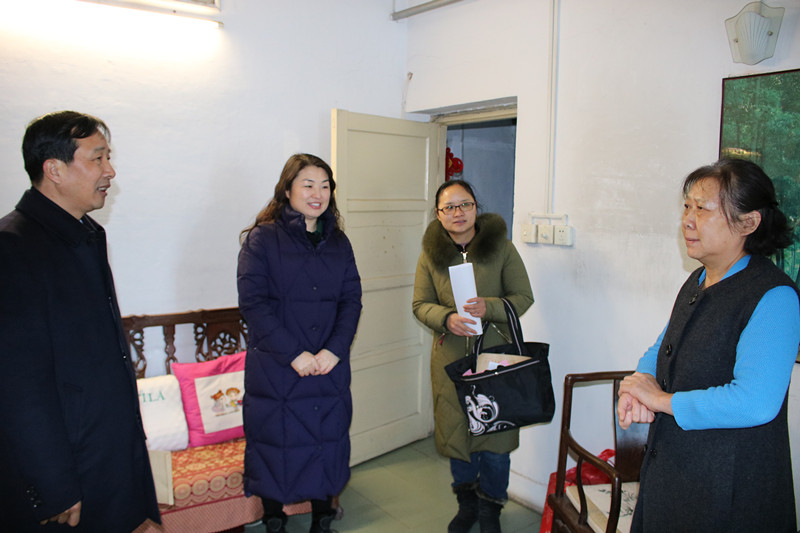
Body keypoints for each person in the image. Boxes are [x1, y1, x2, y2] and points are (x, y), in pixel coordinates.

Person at [617, 158, 799, 533]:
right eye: (687, 207)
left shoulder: (774, 297)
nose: (687, 220)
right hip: (675, 473)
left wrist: (661, 401)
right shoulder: (699, 279)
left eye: (702, 209)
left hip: (731, 489)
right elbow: (665, 345)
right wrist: (638, 383)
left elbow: (755, 401)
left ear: (748, 222)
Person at [0, 111, 160, 531]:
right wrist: (52, 484)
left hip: (109, 453)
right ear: (54, 169)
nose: (110, 171)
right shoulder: (12, 247)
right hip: (68, 473)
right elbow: (18, 384)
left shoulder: (85, 234)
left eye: (109, 157)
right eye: (97, 158)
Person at [237, 153, 362, 533]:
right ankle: (274, 519)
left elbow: (351, 301)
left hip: (327, 366)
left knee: (326, 442)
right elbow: (253, 304)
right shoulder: (262, 239)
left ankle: (322, 518)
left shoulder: (338, 242)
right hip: (278, 369)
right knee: (276, 446)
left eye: (325, 186)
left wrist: (334, 350)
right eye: (308, 185)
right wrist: (294, 354)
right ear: (287, 189)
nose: (317, 194)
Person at [412, 180, 533, 533]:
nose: (458, 213)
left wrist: (490, 307)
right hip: (451, 360)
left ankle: (491, 508)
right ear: (438, 214)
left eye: (465, 204)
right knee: (458, 438)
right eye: (449, 207)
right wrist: (446, 318)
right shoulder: (431, 255)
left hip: (495, 360)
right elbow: (420, 304)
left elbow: (523, 297)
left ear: (476, 208)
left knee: (496, 442)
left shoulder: (502, 248)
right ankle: (467, 506)